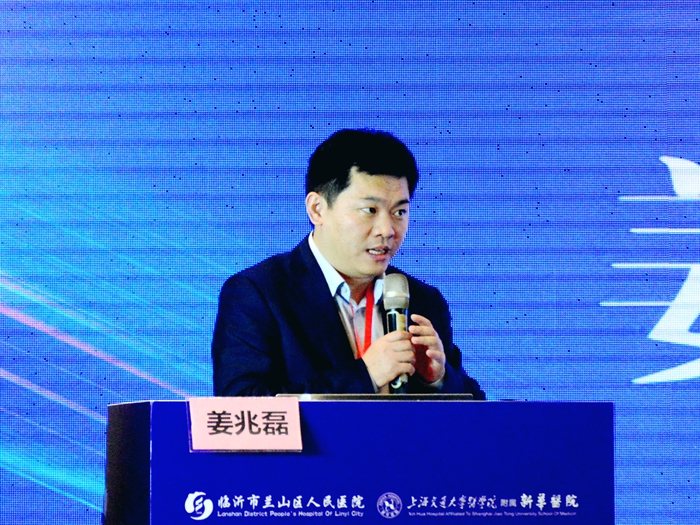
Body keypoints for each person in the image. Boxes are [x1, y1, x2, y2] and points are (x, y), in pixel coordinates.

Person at [212, 129, 485, 399]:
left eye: (399, 212)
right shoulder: (258, 294)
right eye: (370, 210)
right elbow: (241, 403)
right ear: (317, 209)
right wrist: (366, 375)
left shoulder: (424, 302)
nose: (387, 230)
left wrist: (438, 379)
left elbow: (480, 412)